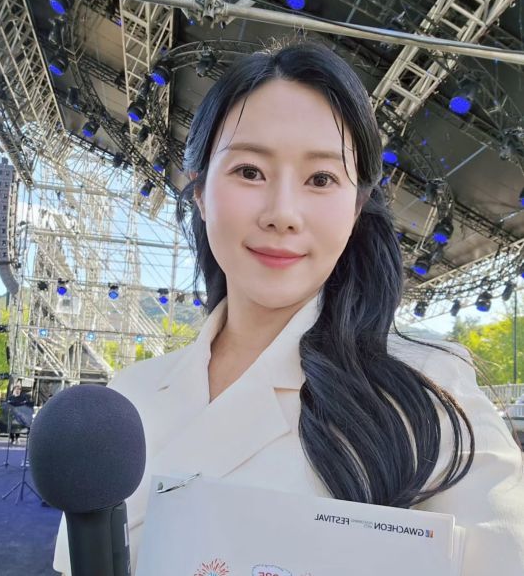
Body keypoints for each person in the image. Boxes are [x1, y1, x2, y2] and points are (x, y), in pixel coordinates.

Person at [53, 39, 524, 575]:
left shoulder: (427, 392)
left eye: (321, 179)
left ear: (356, 207)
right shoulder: (129, 399)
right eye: (249, 171)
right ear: (199, 190)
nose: (283, 213)